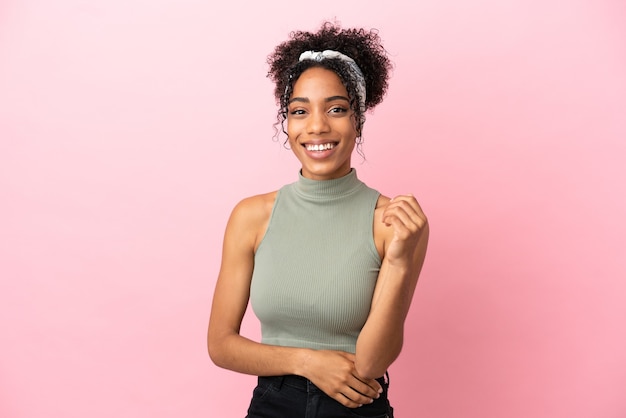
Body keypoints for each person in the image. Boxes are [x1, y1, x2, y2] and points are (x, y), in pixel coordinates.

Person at [207, 22, 429, 418]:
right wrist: (307, 362)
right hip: (272, 406)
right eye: (299, 111)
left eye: (336, 109)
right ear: (287, 123)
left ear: (357, 120)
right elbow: (221, 344)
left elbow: (373, 364)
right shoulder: (251, 216)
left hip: (357, 408)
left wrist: (397, 260)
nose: (317, 127)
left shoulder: (395, 223)